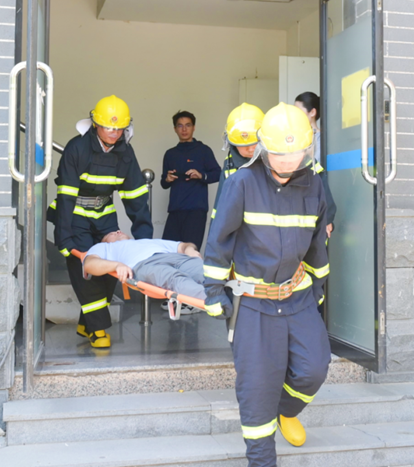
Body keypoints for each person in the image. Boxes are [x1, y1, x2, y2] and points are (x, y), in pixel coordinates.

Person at [202, 103, 331, 467]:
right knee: (257, 389)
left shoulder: (314, 184)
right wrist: (213, 291)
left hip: (298, 296)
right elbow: (219, 240)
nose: (289, 161)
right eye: (280, 154)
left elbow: (317, 243)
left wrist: (318, 287)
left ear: (307, 148)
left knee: (314, 369)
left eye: (296, 153)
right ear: (264, 149)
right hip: (254, 303)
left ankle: (285, 411)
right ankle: (262, 460)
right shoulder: (241, 183)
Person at [50, 95, 153, 349]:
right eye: (109, 127)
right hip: (75, 215)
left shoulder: (125, 152)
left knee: (109, 268)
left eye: (119, 128)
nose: (114, 133)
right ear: (95, 123)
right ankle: (97, 329)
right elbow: (66, 197)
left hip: (104, 215)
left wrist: (144, 241)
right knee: (86, 270)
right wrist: (64, 238)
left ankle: (86, 324)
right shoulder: (77, 148)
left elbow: (136, 197)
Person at [82, 230, 206, 303]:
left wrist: (190, 250)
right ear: (105, 241)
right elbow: (89, 264)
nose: (118, 231)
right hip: (144, 264)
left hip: (175, 257)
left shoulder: (146, 241)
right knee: (174, 278)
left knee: (205, 271)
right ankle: (212, 300)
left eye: (118, 230)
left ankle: (218, 291)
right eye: (112, 234)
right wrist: (117, 265)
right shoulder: (105, 247)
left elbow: (183, 245)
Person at [160, 110, 221, 250]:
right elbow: (163, 183)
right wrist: (168, 179)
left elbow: (218, 174)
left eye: (188, 125)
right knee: (168, 251)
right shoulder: (170, 154)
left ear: (194, 127)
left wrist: (201, 176)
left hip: (196, 210)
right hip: (175, 210)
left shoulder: (203, 150)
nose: (184, 129)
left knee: (190, 251)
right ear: (175, 129)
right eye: (180, 126)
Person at [211, 103, 264, 219]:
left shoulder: (276, 160)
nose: (251, 149)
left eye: (255, 143)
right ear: (232, 143)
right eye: (244, 145)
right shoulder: (229, 164)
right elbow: (220, 208)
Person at [294, 92, 336, 237]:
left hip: (314, 198)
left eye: (298, 111)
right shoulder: (291, 138)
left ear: (312, 112)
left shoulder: (324, 140)